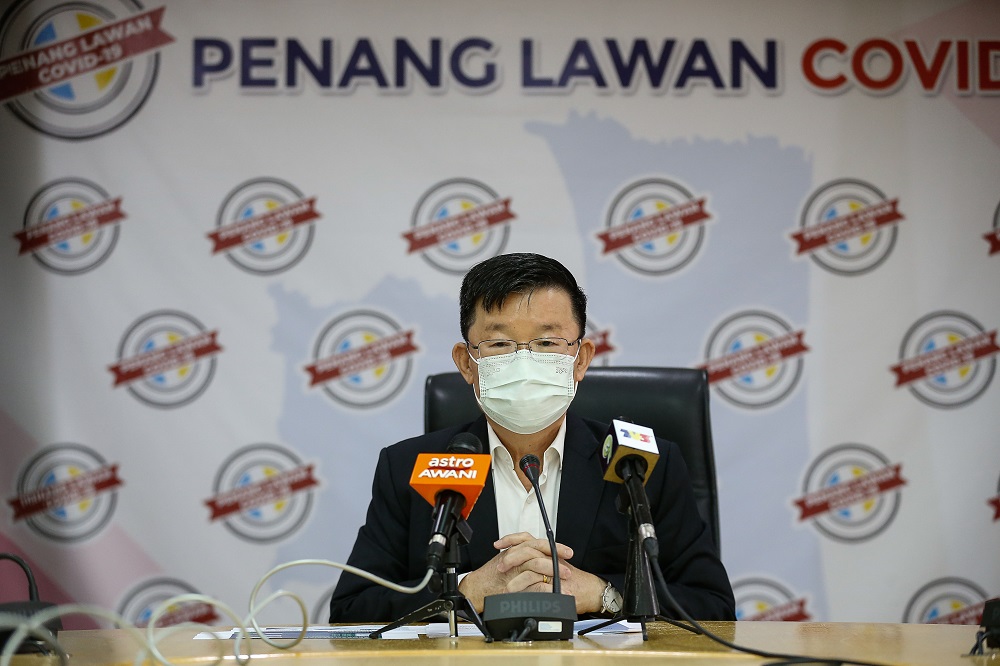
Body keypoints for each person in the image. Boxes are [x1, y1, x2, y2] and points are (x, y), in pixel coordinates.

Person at [329, 252, 735, 622]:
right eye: (500, 343)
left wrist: (606, 594)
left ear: (581, 359)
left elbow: (713, 606)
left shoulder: (641, 464)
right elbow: (351, 610)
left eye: (546, 343)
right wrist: (464, 592)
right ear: (466, 363)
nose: (524, 361)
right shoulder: (409, 467)